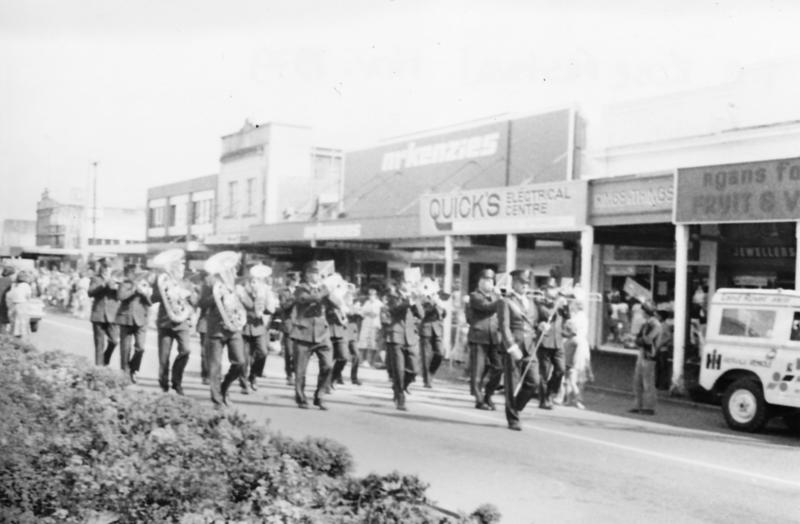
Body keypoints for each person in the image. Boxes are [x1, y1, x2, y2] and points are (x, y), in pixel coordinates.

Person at [150, 249, 198, 395]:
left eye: (183, 266)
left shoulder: (187, 283)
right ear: (173, 267)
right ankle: (163, 382)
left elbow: (195, 302)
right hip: (165, 322)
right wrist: (161, 289)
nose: (182, 268)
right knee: (164, 356)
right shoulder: (163, 281)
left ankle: (177, 381)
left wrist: (188, 295)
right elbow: (153, 299)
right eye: (180, 266)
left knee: (186, 350)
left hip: (182, 321)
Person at [201, 251, 247, 407]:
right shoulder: (210, 281)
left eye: (235, 267)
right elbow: (201, 303)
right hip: (216, 329)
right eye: (232, 267)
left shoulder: (236, 284)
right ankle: (217, 400)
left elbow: (245, 306)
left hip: (233, 329)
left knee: (240, 362)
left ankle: (224, 387)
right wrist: (215, 295)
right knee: (215, 367)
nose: (234, 270)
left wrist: (242, 296)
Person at [498, 269, 541, 431]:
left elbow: (533, 323)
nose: (524, 286)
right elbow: (504, 326)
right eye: (522, 282)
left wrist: (541, 326)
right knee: (512, 383)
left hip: (530, 347)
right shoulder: (506, 301)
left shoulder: (531, 302)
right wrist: (511, 346)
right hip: (515, 346)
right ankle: (513, 419)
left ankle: (515, 407)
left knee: (533, 381)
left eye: (526, 283)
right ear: (514, 283)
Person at [290, 260, 337, 410]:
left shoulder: (324, 288)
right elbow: (306, 298)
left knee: (328, 365)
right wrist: (325, 290)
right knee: (300, 369)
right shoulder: (300, 288)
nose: (317, 276)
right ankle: (301, 397)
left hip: (322, 333)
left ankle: (320, 395)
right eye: (314, 273)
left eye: (318, 274)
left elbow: (336, 304)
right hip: (304, 333)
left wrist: (334, 295)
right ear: (308, 275)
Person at [384, 279, 424, 411]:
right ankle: (400, 396)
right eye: (406, 283)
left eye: (410, 283)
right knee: (399, 370)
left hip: (411, 337)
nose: (408, 286)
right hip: (396, 335)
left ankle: (400, 386)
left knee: (414, 369)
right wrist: (408, 301)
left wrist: (415, 301)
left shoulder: (413, 298)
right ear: (401, 285)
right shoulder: (394, 296)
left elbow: (421, 314)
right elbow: (394, 310)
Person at [467, 269, 504, 410]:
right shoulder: (475, 295)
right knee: (477, 371)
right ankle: (479, 399)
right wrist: (500, 299)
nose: (489, 283)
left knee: (498, 368)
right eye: (486, 280)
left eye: (491, 280)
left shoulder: (495, 296)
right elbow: (486, 307)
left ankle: (488, 394)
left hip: (493, 337)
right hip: (478, 337)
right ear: (480, 281)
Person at [237, 263, 277, 393]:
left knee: (263, 352)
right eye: (252, 273)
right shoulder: (241, 288)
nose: (255, 277)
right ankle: (243, 383)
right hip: (243, 326)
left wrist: (267, 304)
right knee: (243, 358)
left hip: (259, 326)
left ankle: (253, 376)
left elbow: (270, 308)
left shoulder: (265, 289)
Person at [115, 264, 152, 381]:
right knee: (125, 349)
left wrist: (144, 293)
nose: (134, 275)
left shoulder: (145, 285)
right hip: (126, 319)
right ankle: (124, 372)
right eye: (132, 273)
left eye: (135, 273)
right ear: (128, 274)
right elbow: (121, 297)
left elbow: (150, 302)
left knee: (140, 348)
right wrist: (134, 290)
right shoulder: (124, 284)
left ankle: (133, 369)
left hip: (141, 320)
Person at [536, 279, 569, 410]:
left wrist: (565, 305)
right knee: (544, 373)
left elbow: (567, 316)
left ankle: (550, 392)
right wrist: (557, 304)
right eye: (549, 288)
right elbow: (548, 314)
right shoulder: (540, 302)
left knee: (560, 370)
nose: (552, 291)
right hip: (545, 341)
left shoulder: (559, 303)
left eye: (554, 288)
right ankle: (543, 399)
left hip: (558, 341)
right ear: (544, 290)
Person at [630, 300, 662, 415]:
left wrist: (640, 340)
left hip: (650, 355)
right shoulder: (646, 324)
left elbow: (648, 340)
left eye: (643, 310)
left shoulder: (655, 324)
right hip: (642, 353)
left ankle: (649, 407)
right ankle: (637, 405)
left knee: (648, 381)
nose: (642, 312)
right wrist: (640, 340)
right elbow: (639, 339)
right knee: (637, 380)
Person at [88, 260, 120, 367]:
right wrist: (103, 285)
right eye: (105, 267)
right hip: (99, 315)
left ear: (111, 269)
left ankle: (106, 358)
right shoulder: (96, 279)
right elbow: (90, 292)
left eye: (109, 267)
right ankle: (98, 368)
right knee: (99, 344)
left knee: (115, 340)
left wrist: (117, 287)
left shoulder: (116, 280)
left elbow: (121, 295)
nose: (106, 269)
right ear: (101, 268)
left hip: (112, 315)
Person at [562, 297, 593, 409]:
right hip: (583, 345)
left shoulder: (574, 319)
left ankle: (572, 398)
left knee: (571, 373)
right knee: (579, 373)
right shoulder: (584, 317)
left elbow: (568, 330)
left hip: (574, 344)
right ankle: (576, 398)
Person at [330, 282, 362, 387]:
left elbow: (359, 315)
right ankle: (336, 377)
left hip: (351, 333)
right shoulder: (340, 304)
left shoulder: (355, 303)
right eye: (348, 294)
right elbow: (347, 312)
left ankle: (354, 377)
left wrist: (358, 311)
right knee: (341, 356)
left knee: (356, 355)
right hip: (343, 332)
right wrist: (353, 310)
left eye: (352, 294)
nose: (350, 296)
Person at [419, 279, 447, 389]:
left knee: (440, 353)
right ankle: (427, 380)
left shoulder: (437, 299)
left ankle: (431, 372)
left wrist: (441, 306)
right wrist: (434, 303)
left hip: (437, 329)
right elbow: (425, 312)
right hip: (426, 328)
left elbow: (444, 314)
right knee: (426, 356)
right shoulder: (424, 298)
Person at [276, 273, 298, 385]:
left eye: (296, 280)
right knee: (289, 352)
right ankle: (289, 375)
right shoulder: (283, 292)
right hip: (288, 324)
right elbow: (284, 306)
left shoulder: (300, 290)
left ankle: (296, 372)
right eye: (293, 280)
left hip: (299, 324)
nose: (295, 282)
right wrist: (294, 298)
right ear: (289, 280)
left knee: (298, 352)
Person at [357, 285, 383, 367]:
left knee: (373, 342)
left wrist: (367, 312)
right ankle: (364, 360)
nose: (371, 296)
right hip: (366, 323)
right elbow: (362, 312)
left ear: (376, 295)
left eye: (373, 294)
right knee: (364, 341)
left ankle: (372, 361)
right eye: (370, 294)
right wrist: (367, 312)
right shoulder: (367, 302)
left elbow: (375, 313)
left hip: (374, 324)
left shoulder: (379, 303)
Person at [6, 270, 33, 341]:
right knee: (22, 326)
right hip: (22, 305)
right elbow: (28, 297)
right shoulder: (26, 286)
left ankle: (13, 341)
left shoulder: (13, 285)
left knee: (14, 325)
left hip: (12, 306)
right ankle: (21, 342)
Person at [0, 265, 16, 334]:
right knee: (4, 324)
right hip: (4, 304)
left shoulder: (1, 280)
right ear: (11, 273)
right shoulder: (11, 282)